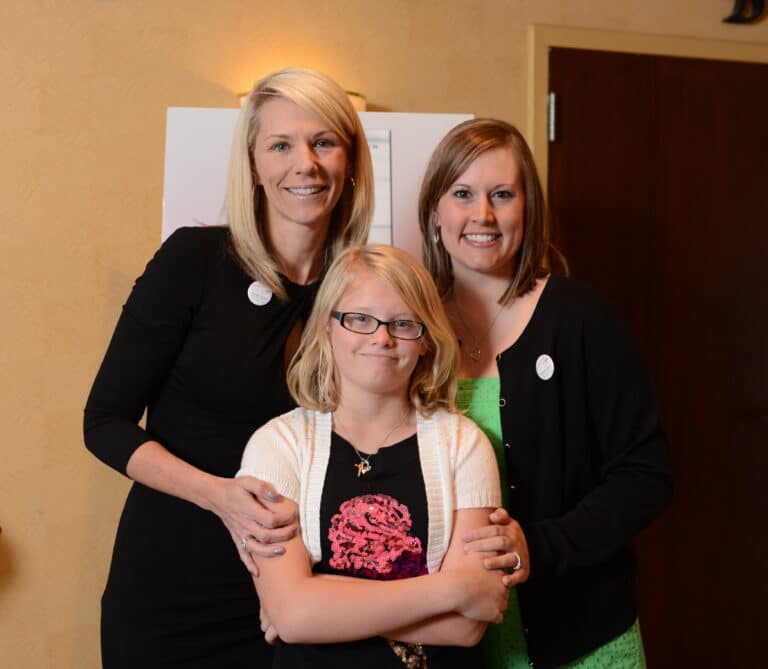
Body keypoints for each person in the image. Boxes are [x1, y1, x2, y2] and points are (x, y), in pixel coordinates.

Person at [83, 67, 374, 668]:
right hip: (173, 589)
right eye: (281, 145)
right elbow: (103, 422)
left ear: (349, 163)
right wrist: (220, 497)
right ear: (252, 164)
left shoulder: (360, 291)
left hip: (296, 595)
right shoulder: (193, 262)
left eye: (324, 142)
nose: (306, 164)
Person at [418, 118, 674, 669]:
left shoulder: (584, 320)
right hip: (451, 641)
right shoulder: (408, 327)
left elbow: (646, 475)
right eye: (462, 194)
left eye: (502, 195)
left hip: (583, 635)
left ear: (527, 209)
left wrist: (541, 545)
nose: (482, 215)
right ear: (435, 211)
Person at [237, 244, 508, 668]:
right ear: (328, 327)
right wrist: (453, 590)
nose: (381, 338)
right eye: (359, 319)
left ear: (425, 341)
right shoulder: (278, 446)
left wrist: (320, 602)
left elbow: (466, 627)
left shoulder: (465, 445)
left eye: (402, 323)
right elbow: (292, 616)